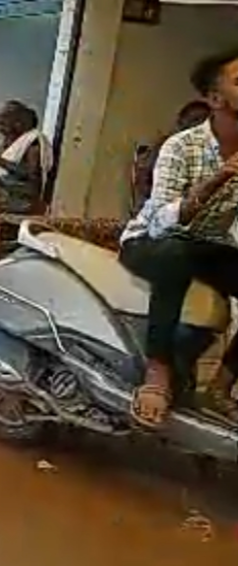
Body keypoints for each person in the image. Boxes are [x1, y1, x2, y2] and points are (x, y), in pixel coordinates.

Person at [119, 48, 238, 428]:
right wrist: (218, 177)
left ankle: (221, 385)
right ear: (216, 98)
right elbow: (160, 222)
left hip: (209, 247)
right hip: (151, 243)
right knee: (175, 252)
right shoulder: (181, 147)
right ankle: (157, 372)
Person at [133, 100, 211, 214]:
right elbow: (144, 181)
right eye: (194, 121)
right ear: (181, 123)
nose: (197, 127)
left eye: (202, 121)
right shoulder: (168, 146)